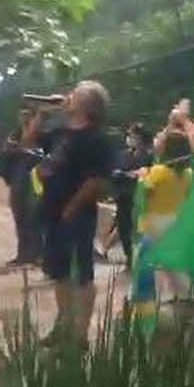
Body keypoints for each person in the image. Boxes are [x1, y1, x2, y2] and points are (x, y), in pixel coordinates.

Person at [34, 81, 113, 349]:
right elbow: (28, 141)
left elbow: (96, 181)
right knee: (59, 273)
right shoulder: (60, 132)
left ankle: (80, 334)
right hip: (53, 211)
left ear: (87, 104)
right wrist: (41, 114)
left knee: (81, 275)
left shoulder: (96, 139)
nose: (68, 95)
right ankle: (63, 324)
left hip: (76, 215)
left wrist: (71, 208)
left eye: (75, 93)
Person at [132, 132, 194, 309]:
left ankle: (143, 297)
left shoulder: (159, 171)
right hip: (175, 220)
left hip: (155, 220)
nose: (157, 141)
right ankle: (184, 294)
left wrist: (143, 175)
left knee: (145, 260)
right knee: (173, 262)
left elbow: (146, 190)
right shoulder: (188, 173)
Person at [102, 123, 152, 268]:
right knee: (123, 229)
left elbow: (148, 173)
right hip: (122, 196)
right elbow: (112, 171)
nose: (130, 138)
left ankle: (136, 259)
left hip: (137, 196)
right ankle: (129, 257)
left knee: (135, 229)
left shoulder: (148, 155)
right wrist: (120, 174)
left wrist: (133, 175)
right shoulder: (123, 154)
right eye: (129, 135)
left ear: (141, 138)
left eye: (133, 136)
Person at [3, 107, 42, 267]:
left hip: (33, 181)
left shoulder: (39, 134)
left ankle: (36, 254)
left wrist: (20, 146)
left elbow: (28, 144)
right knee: (19, 217)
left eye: (27, 115)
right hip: (17, 179)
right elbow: (6, 148)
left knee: (33, 218)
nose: (23, 118)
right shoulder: (15, 133)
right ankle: (23, 254)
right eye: (21, 114)